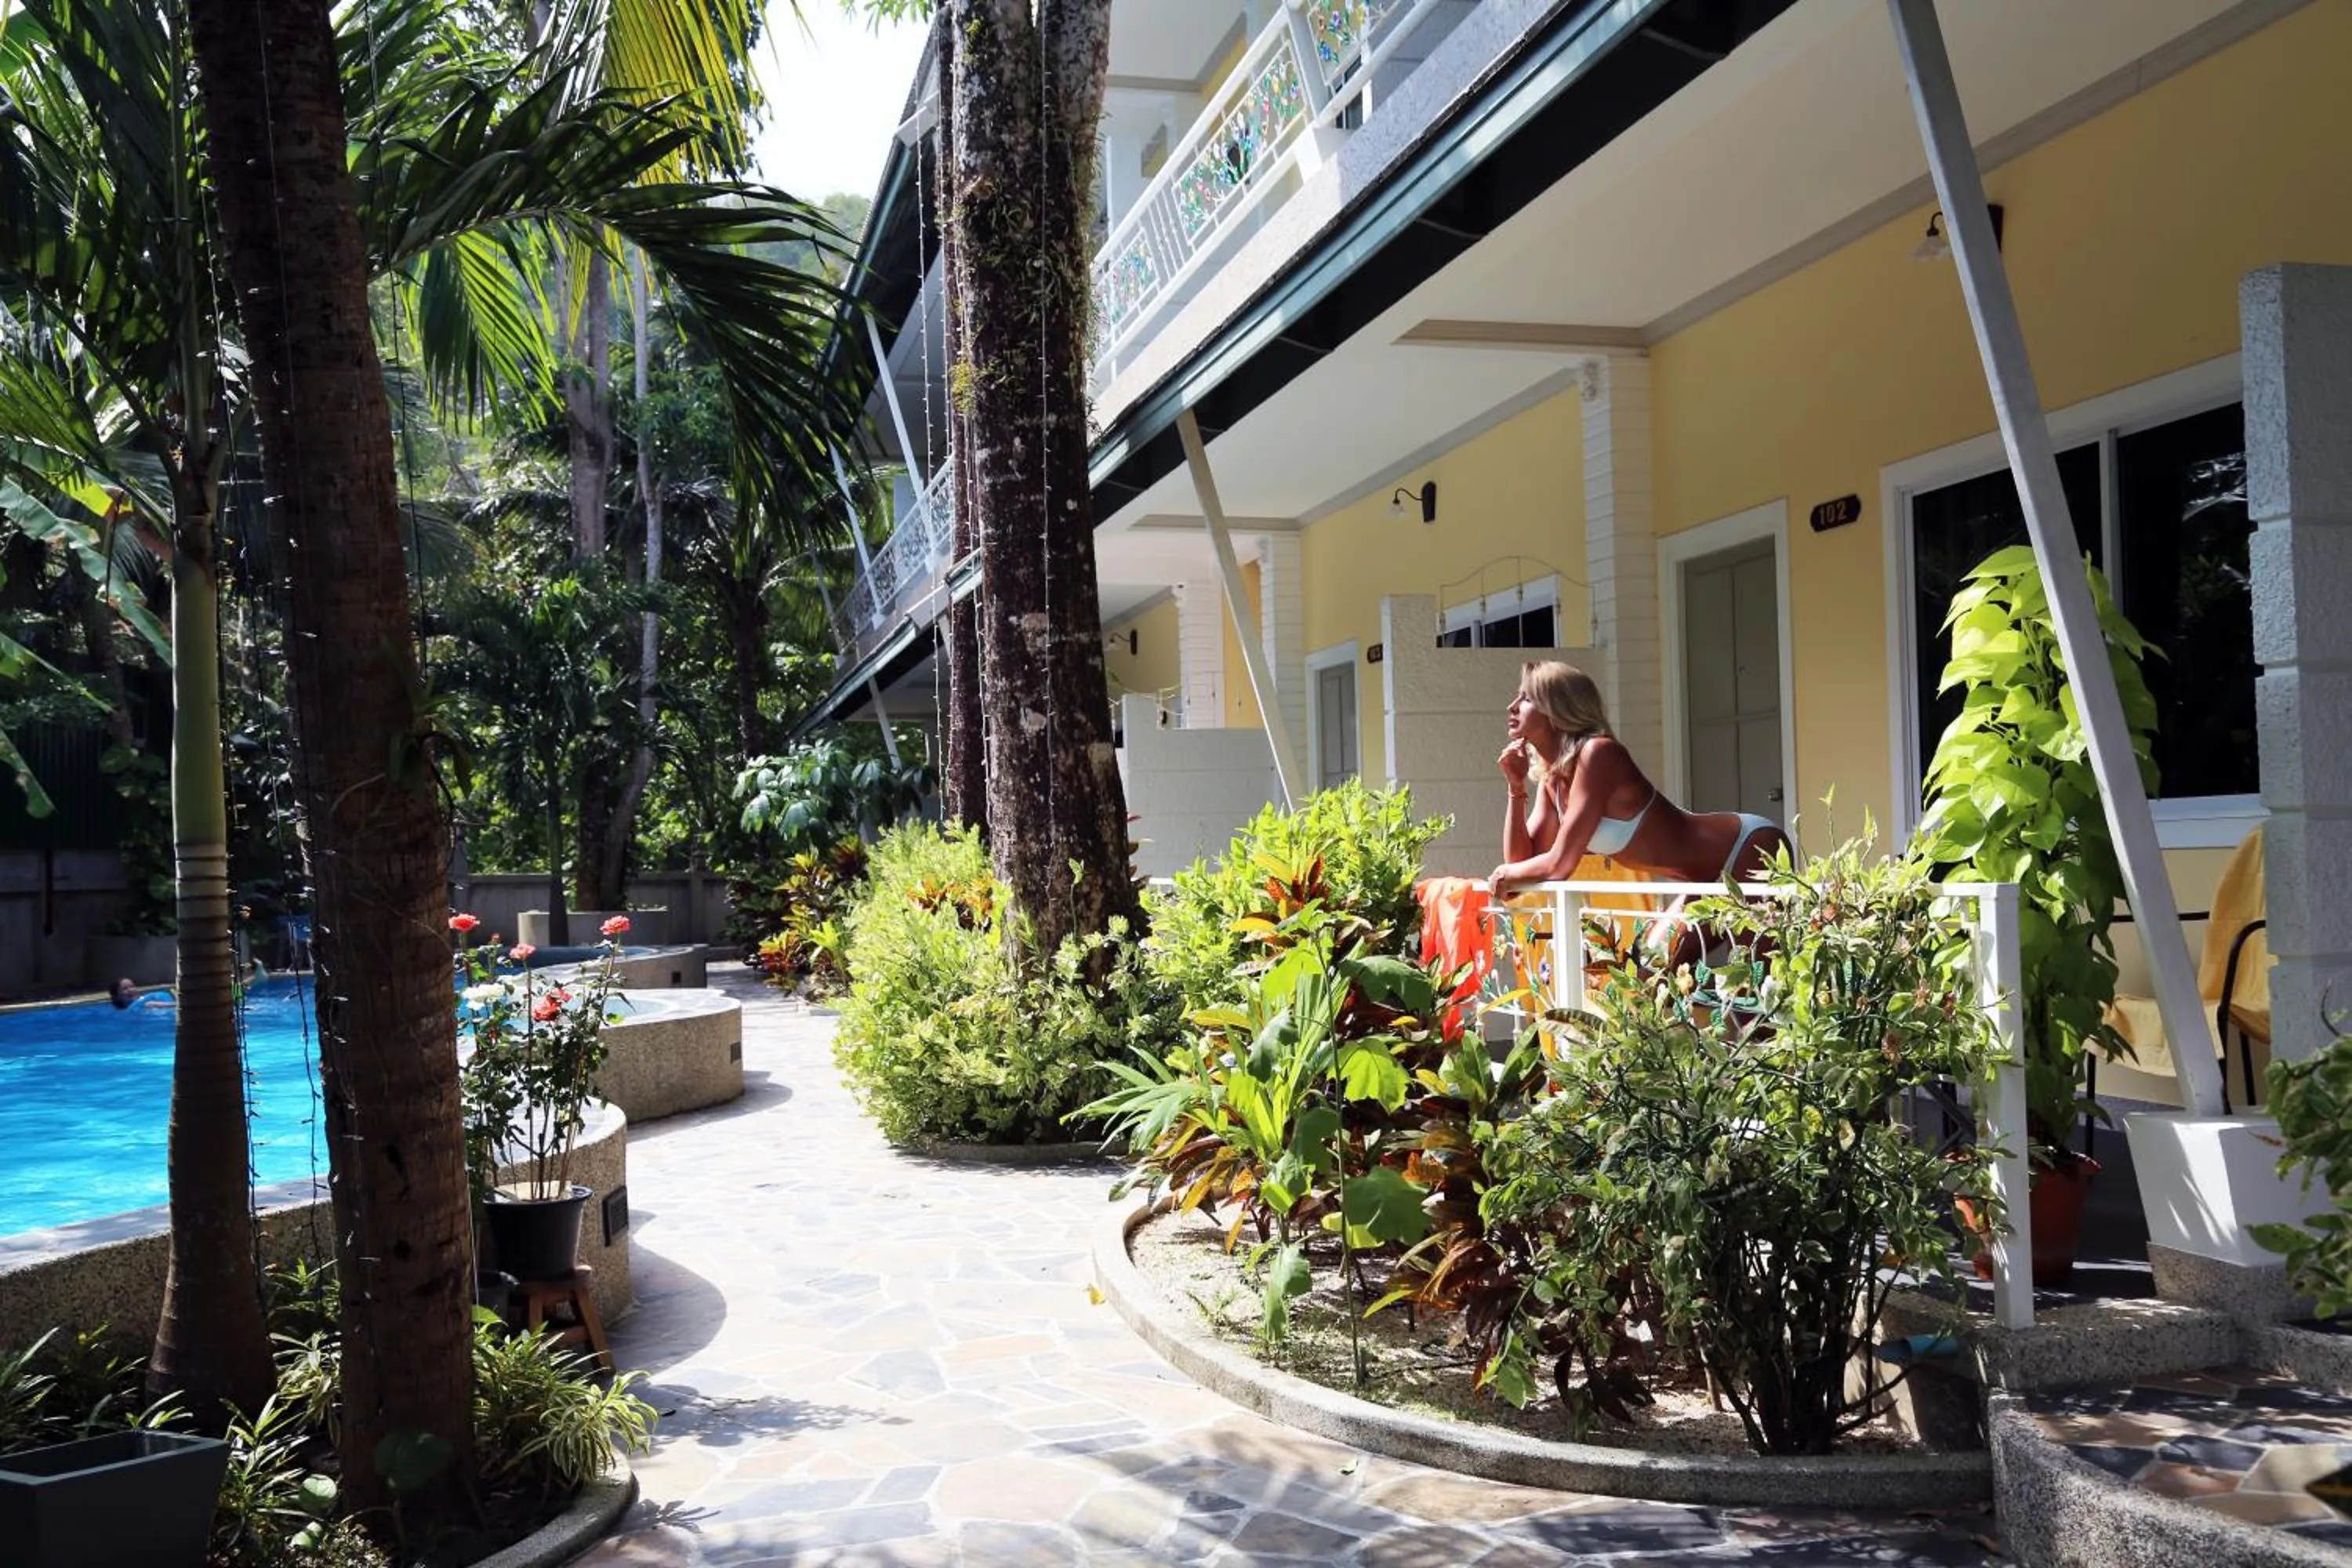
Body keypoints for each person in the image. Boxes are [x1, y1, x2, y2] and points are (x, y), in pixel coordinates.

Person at [1489, 661, 1789, 964]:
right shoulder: (1554, 779)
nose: (1512, 706)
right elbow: (1520, 863)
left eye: (1526, 698)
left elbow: (1558, 864)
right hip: (1704, 881)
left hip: (1747, 850)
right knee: (1647, 973)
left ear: (1557, 709)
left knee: (1755, 985)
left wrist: (1504, 875)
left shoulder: (1599, 754)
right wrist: (1516, 787)